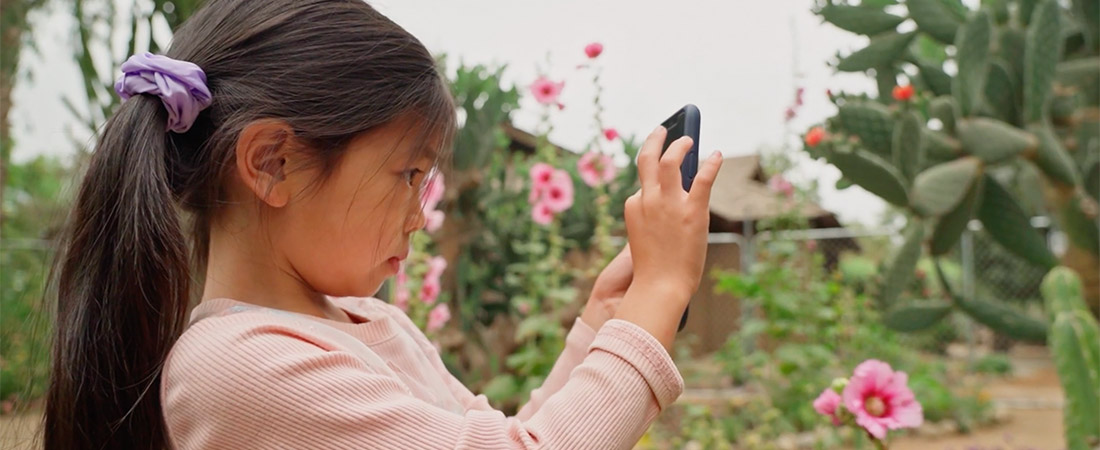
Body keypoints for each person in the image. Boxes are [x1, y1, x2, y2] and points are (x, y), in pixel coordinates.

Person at [44, 0, 723, 448]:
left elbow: (507, 437)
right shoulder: (238, 367)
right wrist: (659, 294)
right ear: (272, 163)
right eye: (407, 175)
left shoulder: (368, 323)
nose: (421, 217)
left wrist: (602, 322)